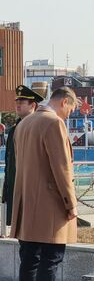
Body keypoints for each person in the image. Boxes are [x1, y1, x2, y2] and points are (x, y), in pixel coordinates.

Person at [10, 87, 79, 281]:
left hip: (27, 205)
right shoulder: (54, 123)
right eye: (70, 110)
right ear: (64, 102)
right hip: (50, 206)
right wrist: (71, 203)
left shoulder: (24, 123)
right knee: (51, 259)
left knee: (29, 260)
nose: (69, 115)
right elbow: (62, 168)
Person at [1, 85, 44, 229]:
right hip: (16, 188)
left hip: (32, 191)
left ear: (33, 105)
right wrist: (6, 189)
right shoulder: (13, 130)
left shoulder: (39, 128)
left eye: (22, 101)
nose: (18, 104)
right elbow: (9, 162)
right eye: (17, 101)